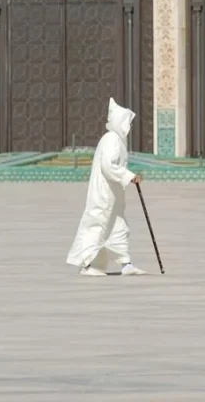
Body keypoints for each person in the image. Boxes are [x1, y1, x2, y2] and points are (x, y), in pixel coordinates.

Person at [66, 98, 148, 276]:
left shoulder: (117, 140)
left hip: (114, 196)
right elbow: (108, 166)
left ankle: (126, 264)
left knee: (118, 227)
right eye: (127, 122)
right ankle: (87, 265)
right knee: (97, 226)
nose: (129, 127)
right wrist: (129, 176)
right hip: (104, 195)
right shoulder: (111, 139)